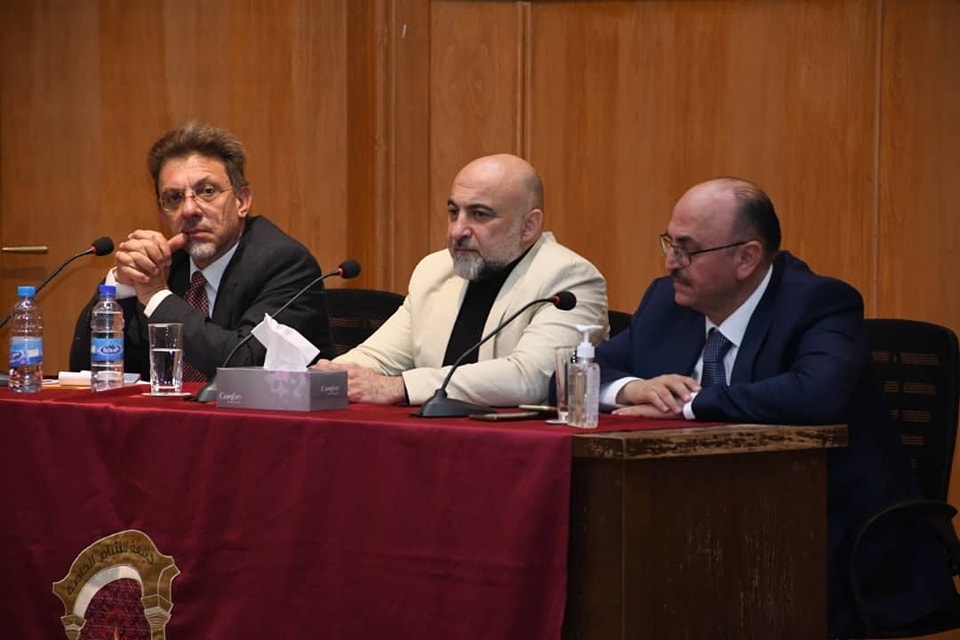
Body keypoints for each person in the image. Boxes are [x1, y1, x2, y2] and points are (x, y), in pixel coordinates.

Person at [594, 176, 955, 635]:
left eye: (688, 250)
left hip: (827, 538)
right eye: (670, 243)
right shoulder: (667, 302)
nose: (671, 263)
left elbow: (813, 393)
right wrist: (631, 389)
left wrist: (690, 404)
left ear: (746, 257)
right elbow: (575, 374)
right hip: (702, 524)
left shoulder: (818, 303)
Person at [312, 153, 608, 407]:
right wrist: (323, 377)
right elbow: (379, 357)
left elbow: (532, 378)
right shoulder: (435, 270)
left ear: (528, 226)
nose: (457, 231)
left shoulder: (569, 279)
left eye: (479, 214)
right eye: (454, 212)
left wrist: (400, 387)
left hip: (513, 445)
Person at [70, 121, 332, 379]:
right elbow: (87, 371)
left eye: (207, 191)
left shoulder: (285, 263)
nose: (189, 210)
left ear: (242, 201)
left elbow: (249, 367)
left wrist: (157, 298)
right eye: (174, 198)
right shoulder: (165, 264)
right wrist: (122, 287)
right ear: (162, 212)